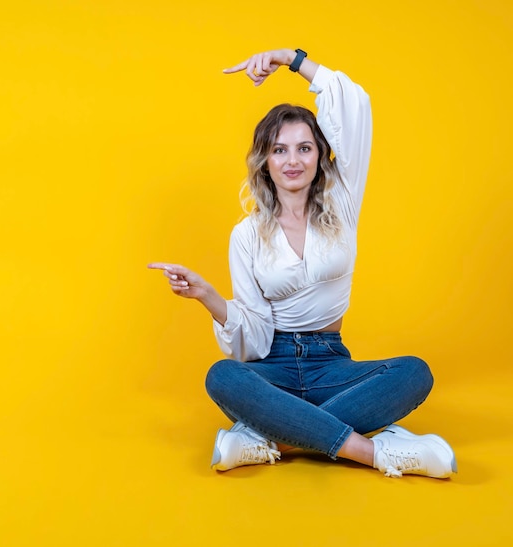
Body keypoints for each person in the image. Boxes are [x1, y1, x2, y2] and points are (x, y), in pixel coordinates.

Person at [148, 48, 457, 479]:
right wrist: (207, 296)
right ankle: (375, 452)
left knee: (414, 373)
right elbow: (253, 337)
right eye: (279, 150)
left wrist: (290, 58)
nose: (292, 161)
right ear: (265, 162)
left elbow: (353, 104)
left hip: (331, 363)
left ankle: (269, 437)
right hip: (271, 365)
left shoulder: (342, 202)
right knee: (223, 377)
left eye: (304, 148)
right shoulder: (247, 234)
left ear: (319, 155)